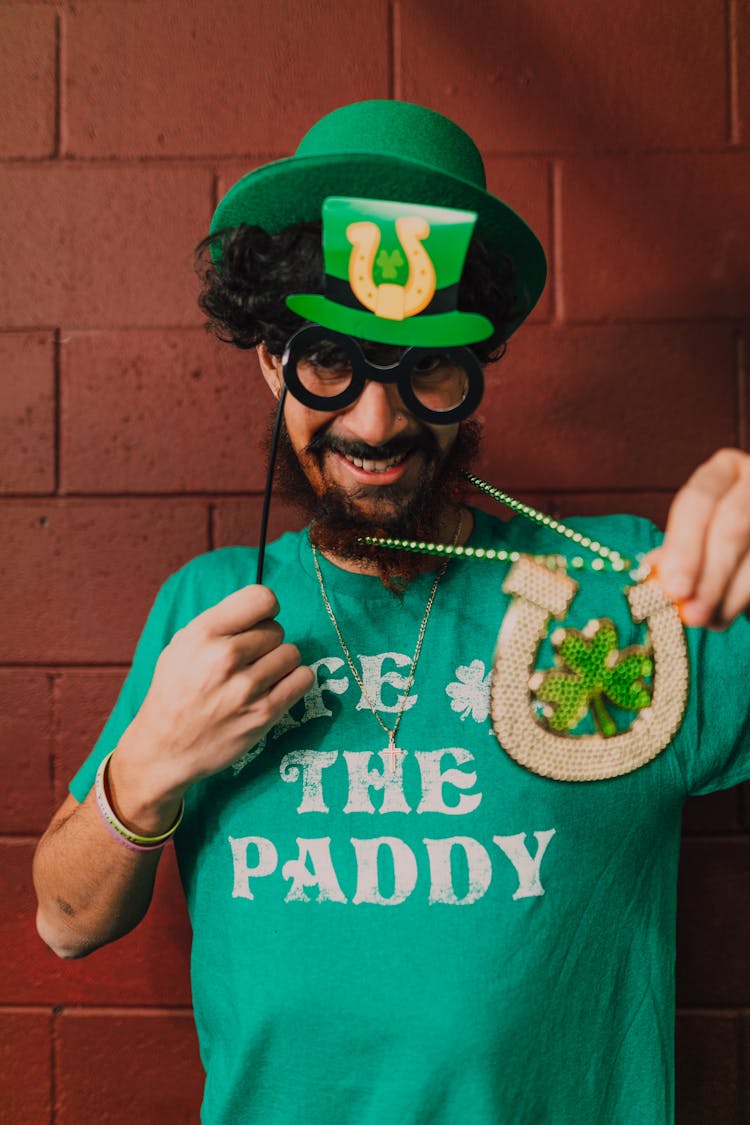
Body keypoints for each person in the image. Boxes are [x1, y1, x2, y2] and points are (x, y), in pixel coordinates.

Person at [33, 100, 750, 1124]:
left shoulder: (635, 590)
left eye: (427, 368)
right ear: (272, 361)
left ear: (477, 370)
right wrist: (148, 768)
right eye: (333, 360)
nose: (377, 421)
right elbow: (64, 921)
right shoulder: (210, 610)